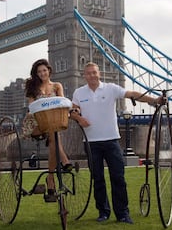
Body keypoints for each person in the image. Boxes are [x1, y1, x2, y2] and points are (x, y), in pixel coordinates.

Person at [70, 62, 165, 224]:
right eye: (88, 73)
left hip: (111, 140)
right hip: (91, 142)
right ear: (84, 75)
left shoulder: (111, 88)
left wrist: (154, 100)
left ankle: (122, 214)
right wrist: (78, 118)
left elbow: (133, 94)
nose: (92, 75)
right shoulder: (79, 92)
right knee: (97, 178)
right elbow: (73, 110)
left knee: (118, 178)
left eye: (94, 72)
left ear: (99, 73)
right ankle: (103, 212)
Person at [24, 59, 72, 202]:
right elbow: (31, 107)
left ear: (49, 71)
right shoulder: (33, 88)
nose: (42, 73)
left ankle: (50, 179)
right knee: (53, 133)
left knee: (53, 137)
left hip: (53, 121)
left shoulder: (57, 86)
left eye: (44, 70)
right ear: (36, 74)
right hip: (36, 124)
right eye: (39, 72)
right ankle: (64, 161)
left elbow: (62, 102)